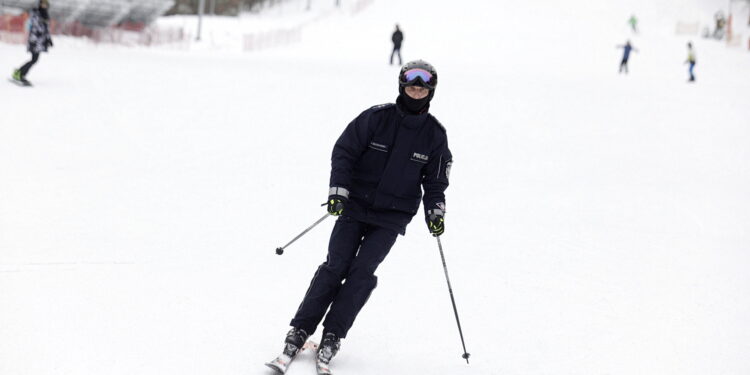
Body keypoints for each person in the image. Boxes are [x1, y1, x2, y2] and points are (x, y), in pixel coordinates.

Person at [271, 60, 452, 375]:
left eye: (423, 85)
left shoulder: (434, 136)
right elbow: (345, 151)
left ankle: (332, 335)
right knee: (335, 266)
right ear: (401, 85)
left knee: (362, 273)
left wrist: (435, 211)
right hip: (354, 206)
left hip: (391, 217)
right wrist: (338, 191)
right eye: (412, 83)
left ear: (430, 91)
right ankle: (300, 329)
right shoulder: (376, 118)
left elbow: (435, 182)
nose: (417, 89)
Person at [12, 0, 53, 86]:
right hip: (35, 40)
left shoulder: (46, 15)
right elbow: (35, 26)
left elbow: (46, 29)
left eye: (45, 4)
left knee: (34, 59)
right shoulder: (36, 13)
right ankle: (20, 74)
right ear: (40, 4)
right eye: (42, 3)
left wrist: (49, 39)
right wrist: (39, 35)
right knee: (34, 59)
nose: (44, 5)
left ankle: (18, 72)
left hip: (40, 41)